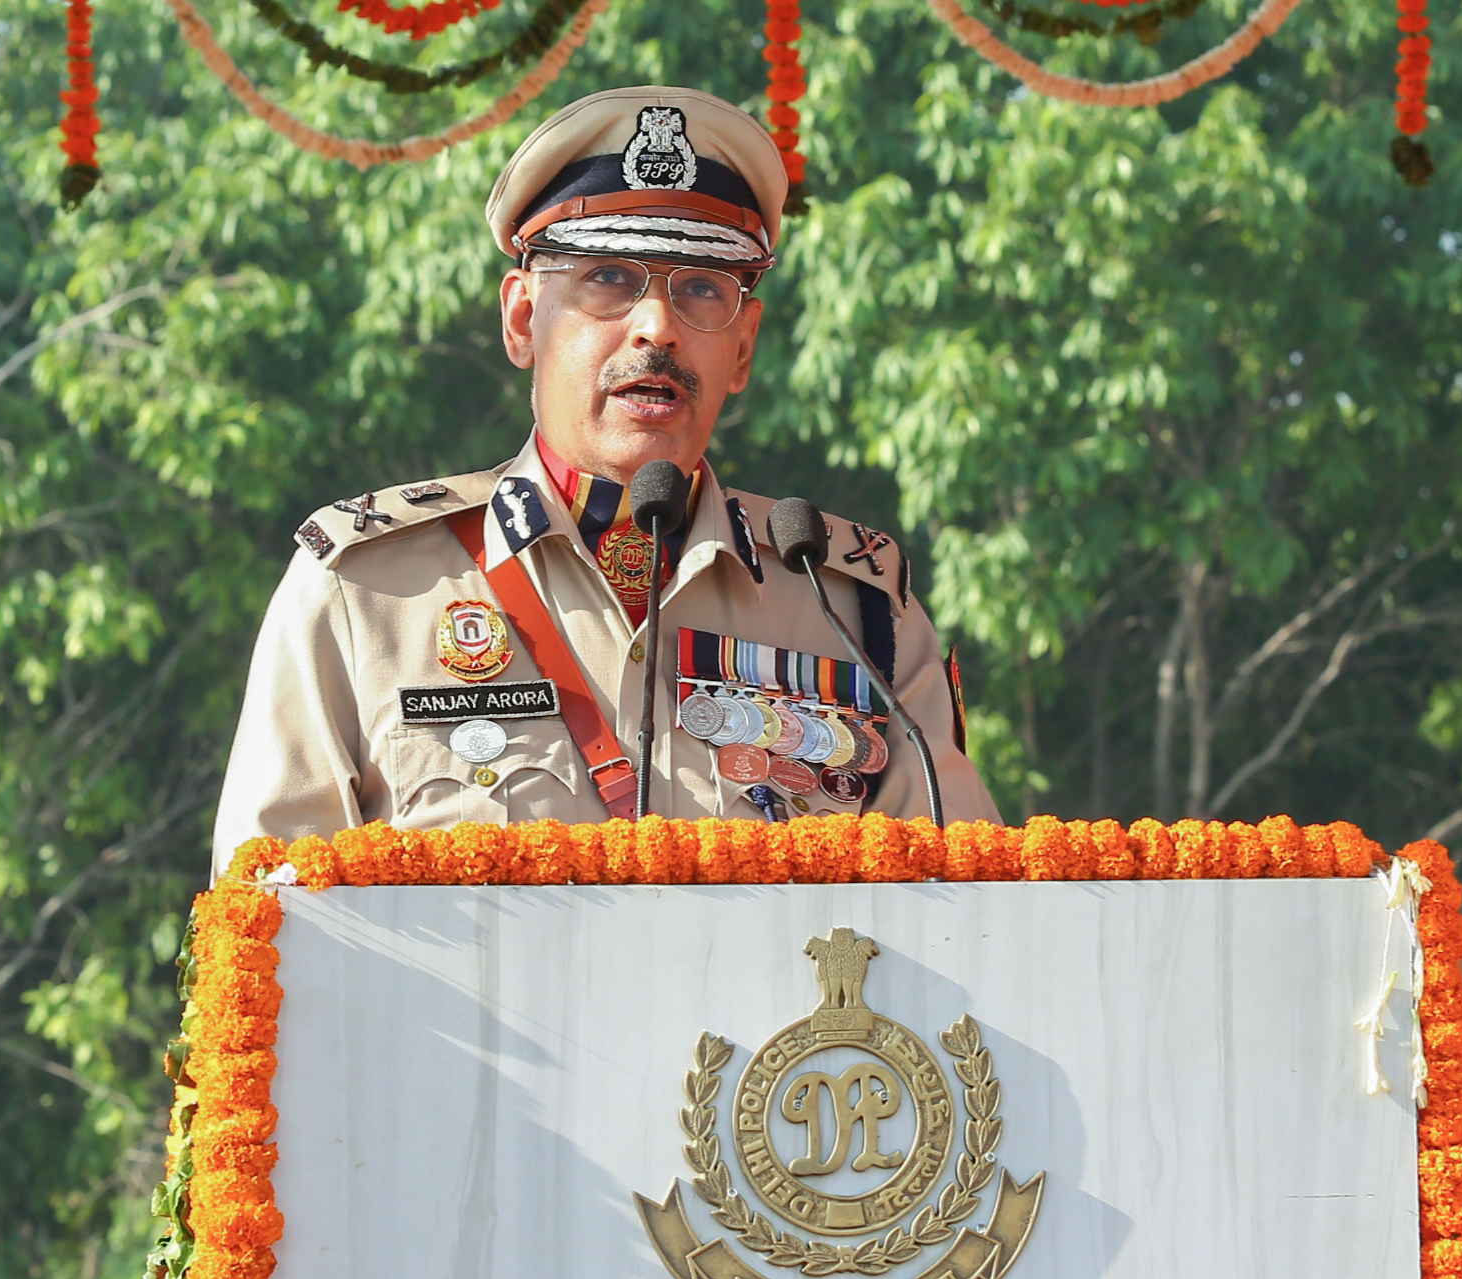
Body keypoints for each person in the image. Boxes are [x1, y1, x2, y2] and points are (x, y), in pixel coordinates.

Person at [211, 86, 998, 871]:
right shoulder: (367, 591)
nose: (657, 328)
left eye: (700, 290)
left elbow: (965, 908)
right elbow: (268, 919)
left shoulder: (850, 608)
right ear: (523, 320)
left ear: (745, 349)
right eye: (609, 279)